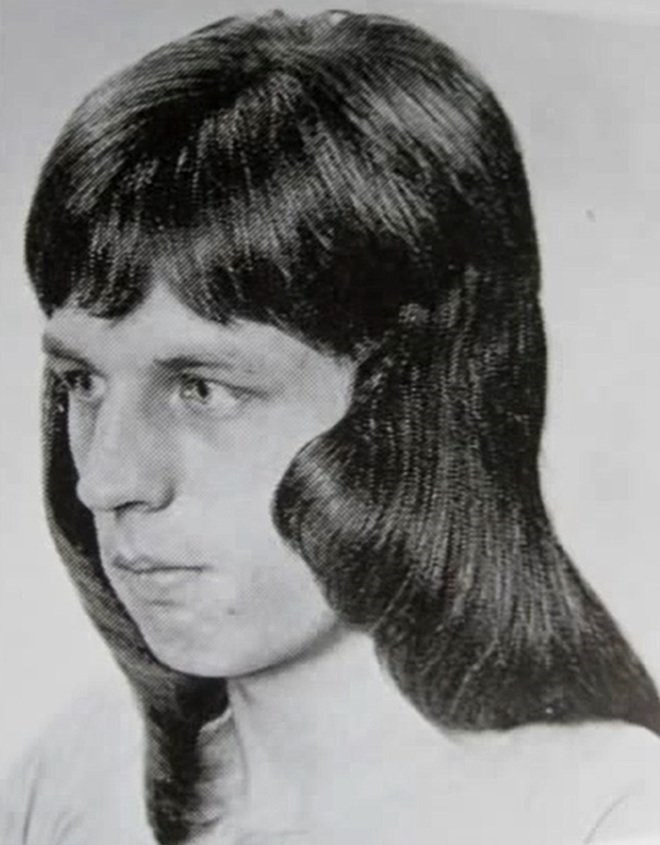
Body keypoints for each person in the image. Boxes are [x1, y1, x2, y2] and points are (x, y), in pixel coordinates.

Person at [1, 9, 659, 845]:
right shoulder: (76, 778)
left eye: (202, 387)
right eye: (83, 381)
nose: (105, 479)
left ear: (416, 403)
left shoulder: (605, 814)